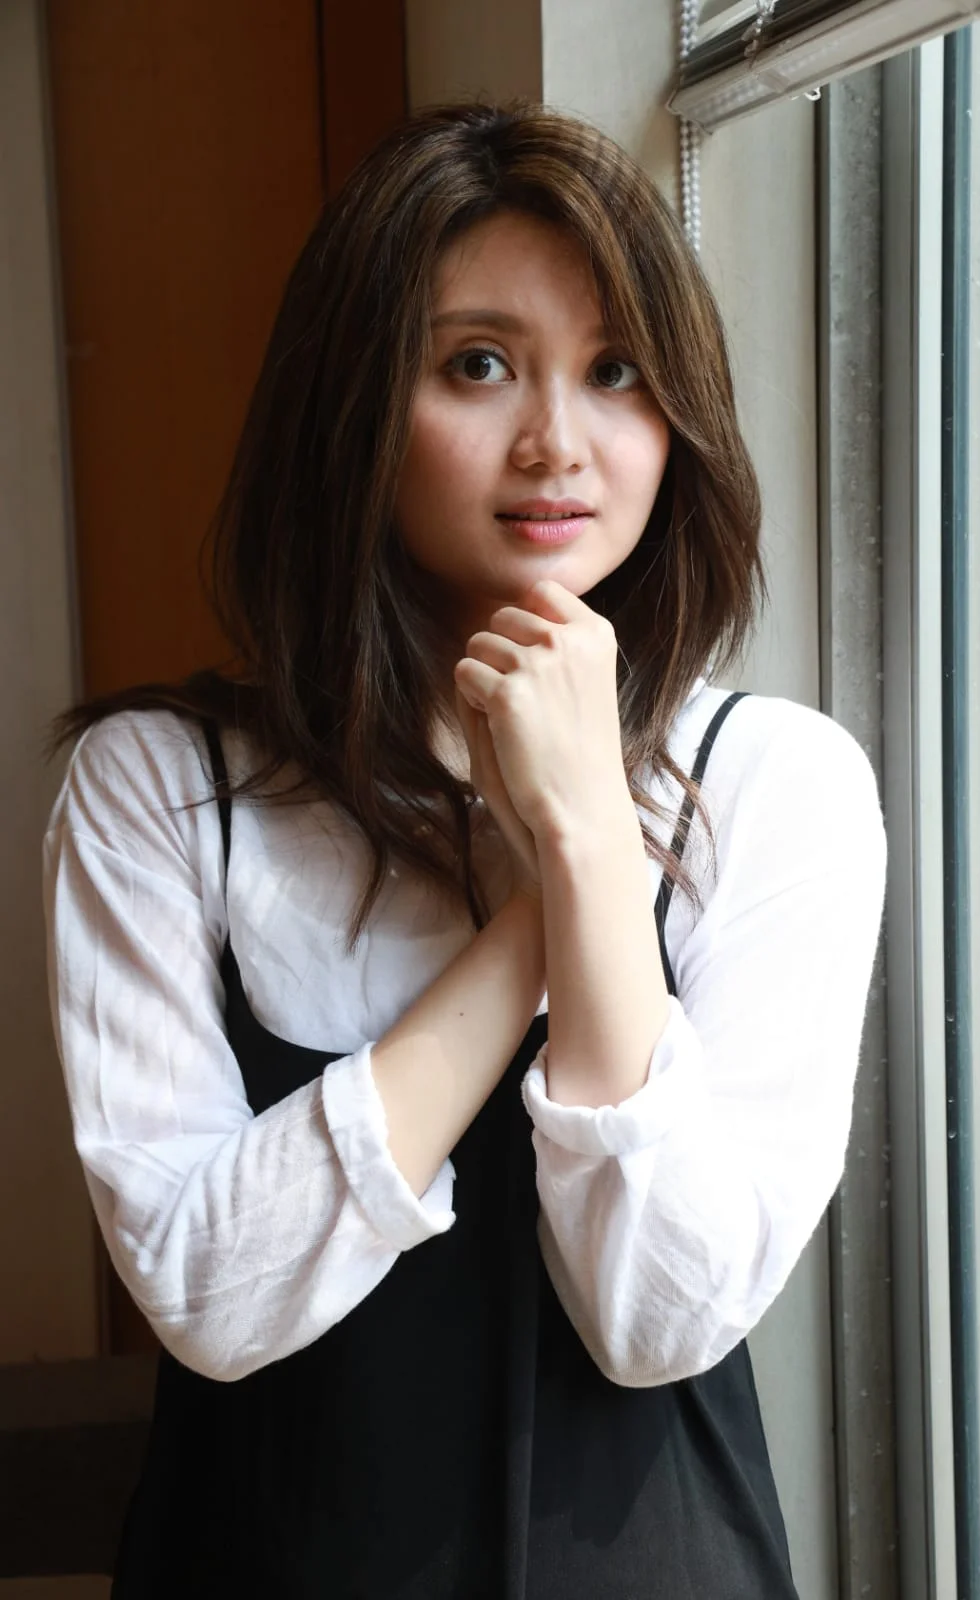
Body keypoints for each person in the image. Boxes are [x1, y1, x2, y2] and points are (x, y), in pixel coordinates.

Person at [43, 101, 886, 1598]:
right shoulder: (161, 790)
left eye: (615, 370)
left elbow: (662, 1317)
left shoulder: (779, 783)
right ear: (355, 405)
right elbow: (208, 1294)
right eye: (477, 364)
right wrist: (540, 903)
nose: (558, 443)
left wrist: (584, 835)